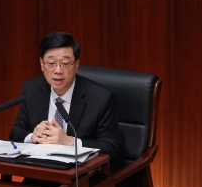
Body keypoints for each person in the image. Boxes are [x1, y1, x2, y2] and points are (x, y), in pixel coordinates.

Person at [10, 32, 124, 165]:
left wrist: (70, 142)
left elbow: (113, 148)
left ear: (76, 64)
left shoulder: (100, 98)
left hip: (80, 173)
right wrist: (33, 137)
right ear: (41, 63)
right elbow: (16, 132)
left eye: (65, 63)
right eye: (51, 63)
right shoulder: (31, 88)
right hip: (40, 169)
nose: (58, 70)